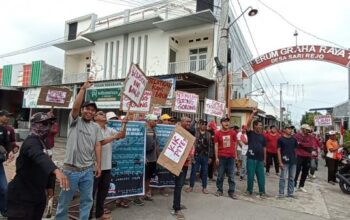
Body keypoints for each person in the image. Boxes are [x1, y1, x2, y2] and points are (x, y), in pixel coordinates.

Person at [55, 80, 105, 220]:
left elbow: (97, 145)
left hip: (87, 170)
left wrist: (98, 165)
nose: (89, 111)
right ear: (83, 110)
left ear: (94, 113)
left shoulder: (95, 127)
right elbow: (75, 108)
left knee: (87, 201)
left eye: (92, 110)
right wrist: (83, 88)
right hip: (70, 170)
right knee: (64, 202)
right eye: (87, 109)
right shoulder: (75, 121)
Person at [6, 112, 69, 220]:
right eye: (43, 123)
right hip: (22, 196)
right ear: (34, 125)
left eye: (50, 123)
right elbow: (39, 157)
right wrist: (56, 171)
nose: (47, 127)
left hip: (37, 194)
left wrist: (50, 186)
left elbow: (47, 161)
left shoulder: (44, 143)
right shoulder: (31, 142)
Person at [90, 111, 126, 219]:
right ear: (95, 117)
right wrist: (114, 137)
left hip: (107, 166)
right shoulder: (92, 128)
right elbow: (100, 142)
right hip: (94, 167)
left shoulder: (109, 129)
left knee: (103, 192)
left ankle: (99, 214)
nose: (104, 115)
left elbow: (121, 135)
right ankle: (87, 216)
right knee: (90, 193)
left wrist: (125, 125)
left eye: (104, 114)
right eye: (100, 113)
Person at [171, 116, 192, 220]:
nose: (189, 123)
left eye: (190, 122)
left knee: (180, 185)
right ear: (182, 122)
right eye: (187, 121)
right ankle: (176, 209)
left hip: (186, 163)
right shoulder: (178, 132)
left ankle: (177, 204)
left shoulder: (187, 133)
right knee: (178, 185)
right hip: (179, 164)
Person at [187, 120, 213, 194]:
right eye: (202, 124)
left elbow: (211, 146)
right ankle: (191, 186)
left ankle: (204, 188)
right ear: (199, 125)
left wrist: (210, 157)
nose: (204, 125)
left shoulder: (208, 134)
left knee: (205, 172)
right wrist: (194, 121)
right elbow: (189, 128)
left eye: (205, 124)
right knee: (193, 171)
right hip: (196, 155)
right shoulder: (195, 132)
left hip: (205, 156)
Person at [214, 117, 238, 199]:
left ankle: (231, 191)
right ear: (221, 123)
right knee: (220, 175)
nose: (226, 123)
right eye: (224, 121)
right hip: (221, 157)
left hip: (231, 157)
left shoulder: (233, 133)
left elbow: (235, 144)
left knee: (231, 176)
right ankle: (219, 190)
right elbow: (216, 145)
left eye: (228, 121)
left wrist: (235, 155)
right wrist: (216, 157)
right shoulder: (217, 133)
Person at [245, 108, 267, 198]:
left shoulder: (263, 136)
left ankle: (262, 191)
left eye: (261, 125)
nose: (261, 127)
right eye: (259, 125)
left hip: (260, 160)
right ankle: (249, 190)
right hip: (251, 158)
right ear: (255, 126)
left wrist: (265, 159)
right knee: (250, 176)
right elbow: (248, 123)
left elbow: (264, 148)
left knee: (261, 177)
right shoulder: (250, 133)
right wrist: (253, 114)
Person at [277, 124, 298, 199]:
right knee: (283, 178)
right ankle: (281, 193)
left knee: (292, 178)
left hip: (293, 162)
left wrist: (295, 159)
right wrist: (280, 162)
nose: (290, 130)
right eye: (289, 128)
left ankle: (290, 193)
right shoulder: (280, 139)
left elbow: (295, 150)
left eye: (291, 129)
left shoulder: (294, 139)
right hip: (284, 161)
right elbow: (278, 151)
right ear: (284, 129)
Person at [0, 110, 14, 217]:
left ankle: (4, 211)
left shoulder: (4, 129)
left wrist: (10, 151)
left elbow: (7, 143)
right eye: (6, 116)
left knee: (4, 188)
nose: (8, 118)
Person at [294, 124, 314, 192]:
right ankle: (294, 185)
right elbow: (296, 144)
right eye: (306, 129)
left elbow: (310, 145)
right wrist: (303, 144)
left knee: (305, 171)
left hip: (307, 156)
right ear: (303, 129)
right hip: (299, 155)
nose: (307, 131)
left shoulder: (310, 137)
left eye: (308, 130)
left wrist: (301, 144)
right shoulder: (296, 135)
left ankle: (301, 186)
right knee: (297, 171)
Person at [144, 114, 160, 200]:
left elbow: (157, 144)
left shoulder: (154, 130)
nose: (156, 122)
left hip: (153, 158)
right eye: (155, 120)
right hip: (147, 159)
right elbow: (146, 146)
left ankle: (146, 192)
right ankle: (144, 193)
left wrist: (158, 156)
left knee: (149, 177)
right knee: (146, 177)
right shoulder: (146, 130)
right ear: (150, 121)